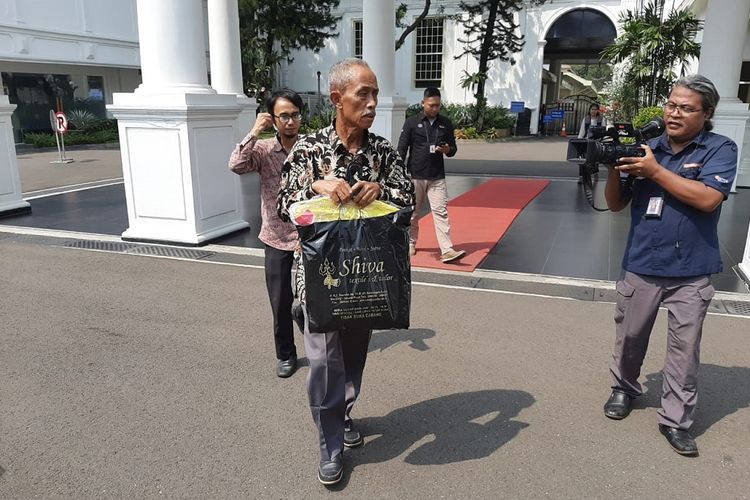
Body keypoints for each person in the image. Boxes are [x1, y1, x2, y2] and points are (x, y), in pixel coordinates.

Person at [277, 58, 414, 485]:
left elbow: (407, 200)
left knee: (352, 358)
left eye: (374, 94)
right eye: (364, 94)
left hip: (368, 276)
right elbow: (285, 203)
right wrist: (315, 186)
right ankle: (330, 443)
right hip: (319, 277)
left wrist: (383, 190)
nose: (373, 103)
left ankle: (344, 410)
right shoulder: (310, 149)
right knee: (321, 361)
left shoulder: (383, 151)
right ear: (338, 99)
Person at [602, 75, 737, 456]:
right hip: (642, 262)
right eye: (671, 105)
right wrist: (615, 165)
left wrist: (656, 171)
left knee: (684, 349)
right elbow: (615, 204)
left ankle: (676, 420)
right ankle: (624, 389)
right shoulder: (647, 148)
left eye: (686, 108)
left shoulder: (718, 149)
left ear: (707, 113)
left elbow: (710, 198)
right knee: (629, 338)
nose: (674, 113)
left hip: (691, 270)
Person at [228, 89, 304, 379]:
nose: (290, 121)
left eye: (295, 114)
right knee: (280, 301)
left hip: (311, 236)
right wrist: (254, 132)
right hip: (276, 236)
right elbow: (236, 165)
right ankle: (286, 355)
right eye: (284, 116)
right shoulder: (263, 150)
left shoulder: (311, 147)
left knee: (319, 297)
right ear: (272, 119)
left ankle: (307, 318)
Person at [397, 87, 465, 263]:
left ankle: (447, 250)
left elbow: (453, 149)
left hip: (437, 177)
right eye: (431, 105)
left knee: (441, 213)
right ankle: (410, 243)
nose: (435, 109)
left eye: (438, 106)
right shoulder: (412, 122)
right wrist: (399, 173)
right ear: (423, 103)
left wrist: (447, 149)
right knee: (413, 213)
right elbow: (402, 149)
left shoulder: (446, 123)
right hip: (415, 176)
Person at [577, 103, 604, 183]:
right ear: (589, 110)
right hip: (586, 142)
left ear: (598, 111)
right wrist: (579, 140)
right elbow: (582, 131)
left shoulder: (601, 119)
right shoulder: (586, 119)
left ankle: (595, 174)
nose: (593, 111)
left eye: (595, 109)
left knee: (594, 160)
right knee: (583, 159)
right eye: (592, 109)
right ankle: (581, 176)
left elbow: (603, 131)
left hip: (596, 142)